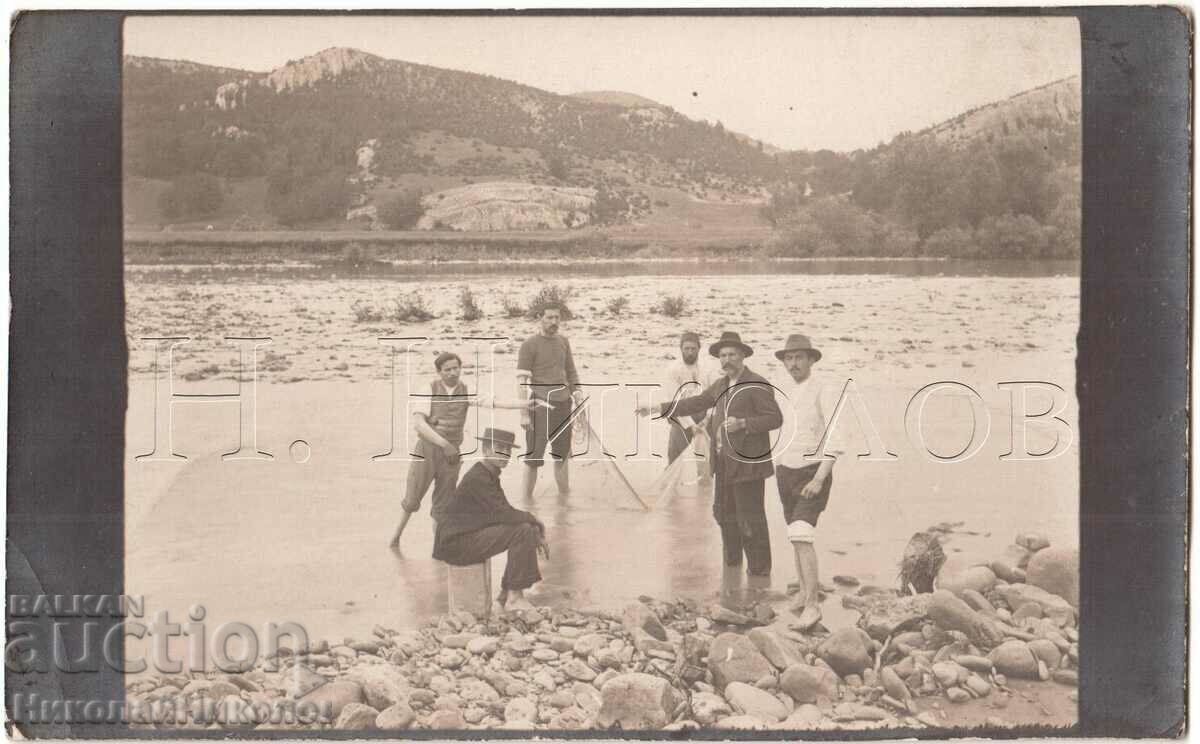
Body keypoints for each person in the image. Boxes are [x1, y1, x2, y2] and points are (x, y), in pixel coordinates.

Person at [638, 331, 783, 576]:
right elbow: (695, 403)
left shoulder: (757, 383)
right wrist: (657, 407)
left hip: (748, 464)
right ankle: (732, 570)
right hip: (723, 462)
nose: (727, 360)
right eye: (723, 355)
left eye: (732, 355)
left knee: (751, 518)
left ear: (743, 356)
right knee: (724, 514)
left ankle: (760, 576)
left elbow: (775, 418)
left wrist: (745, 424)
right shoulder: (720, 384)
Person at [390, 352, 545, 549]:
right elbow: (420, 424)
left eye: (456, 368)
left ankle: (439, 547)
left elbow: (494, 402)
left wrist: (524, 404)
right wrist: (444, 444)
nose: (453, 373)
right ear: (439, 372)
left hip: (452, 453)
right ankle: (395, 538)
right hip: (427, 449)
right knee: (412, 497)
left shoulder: (467, 390)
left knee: (444, 504)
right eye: (448, 370)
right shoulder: (427, 389)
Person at [432, 428, 549, 612]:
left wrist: (533, 525)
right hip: (456, 545)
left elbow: (503, 512)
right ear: (485, 450)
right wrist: (535, 522)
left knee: (524, 528)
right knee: (523, 531)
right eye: (500, 447)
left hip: (461, 539)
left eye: (508, 450)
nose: (505, 453)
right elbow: (504, 514)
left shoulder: (487, 473)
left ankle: (506, 595)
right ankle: (514, 597)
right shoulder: (479, 477)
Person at [772, 334, 840, 629]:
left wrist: (820, 477)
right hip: (785, 470)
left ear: (812, 359)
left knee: (802, 534)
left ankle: (813, 606)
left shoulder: (823, 389)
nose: (794, 363)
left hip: (812, 472)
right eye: (789, 358)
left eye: (800, 357)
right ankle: (802, 592)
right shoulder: (786, 390)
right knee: (793, 534)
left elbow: (836, 438)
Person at [517, 304, 584, 500]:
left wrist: (577, 391)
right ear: (540, 318)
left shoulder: (564, 341)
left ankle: (564, 502)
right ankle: (526, 502)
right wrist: (523, 413)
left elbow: (571, 371)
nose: (554, 322)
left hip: (564, 405)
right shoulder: (529, 345)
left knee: (562, 455)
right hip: (539, 406)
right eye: (550, 318)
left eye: (557, 318)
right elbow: (521, 382)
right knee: (533, 458)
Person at [663, 331, 719, 467]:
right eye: (686, 349)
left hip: (706, 415)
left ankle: (709, 481)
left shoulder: (709, 368)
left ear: (699, 349)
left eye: (693, 349)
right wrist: (691, 425)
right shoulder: (673, 370)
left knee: (712, 454)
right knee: (675, 457)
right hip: (681, 416)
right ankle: (673, 484)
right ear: (681, 349)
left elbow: (716, 395)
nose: (690, 352)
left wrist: (707, 419)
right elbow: (674, 402)